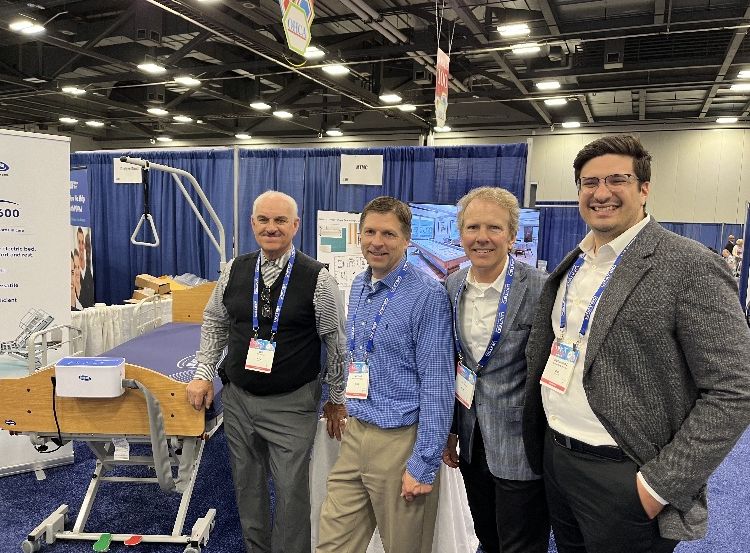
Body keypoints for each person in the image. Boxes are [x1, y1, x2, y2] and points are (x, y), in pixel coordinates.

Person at [522, 135, 750, 553]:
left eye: (617, 180)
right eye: (589, 182)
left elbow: (735, 390)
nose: (601, 192)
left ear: (644, 189)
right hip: (558, 458)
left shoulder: (689, 264)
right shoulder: (575, 263)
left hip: (626, 473)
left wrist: (657, 486)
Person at [186, 190, 348, 553]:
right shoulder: (233, 271)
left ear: (295, 226)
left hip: (292, 404)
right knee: (248, 487)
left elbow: (336, 344)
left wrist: (336, 399)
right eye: (263, 220)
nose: (271, 228)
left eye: (280, 221)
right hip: (240, 400)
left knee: (291, 492)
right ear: (252, 224)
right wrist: (202, 373)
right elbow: (215, 322)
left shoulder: (317, 279)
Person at [316, 196, 454, 553]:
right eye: (370, 232)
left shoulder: (427, 295)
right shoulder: (360, 285)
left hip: (400, 441)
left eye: (389, 234)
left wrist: (423, 463)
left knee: (404, 546)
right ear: (359, 236)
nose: (377, 242)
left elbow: (438, 385)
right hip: (356, 431)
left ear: (407, 239)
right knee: (332, 541)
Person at [442, 187, 549, 553]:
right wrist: (451, 429)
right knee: (485, 534)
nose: (482, 237)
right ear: (461, 233)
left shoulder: (540, 289)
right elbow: (454, 365)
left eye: (494, 228)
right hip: (472, 440)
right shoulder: (451, 287)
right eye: (472, 227)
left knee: (521, 542)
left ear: (512, 235)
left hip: (521, 443)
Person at [77, 228, 94, 308]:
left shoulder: (88, 270)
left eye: (82, 243)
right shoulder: (75, 273)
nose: (81, 246)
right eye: (78, 242)